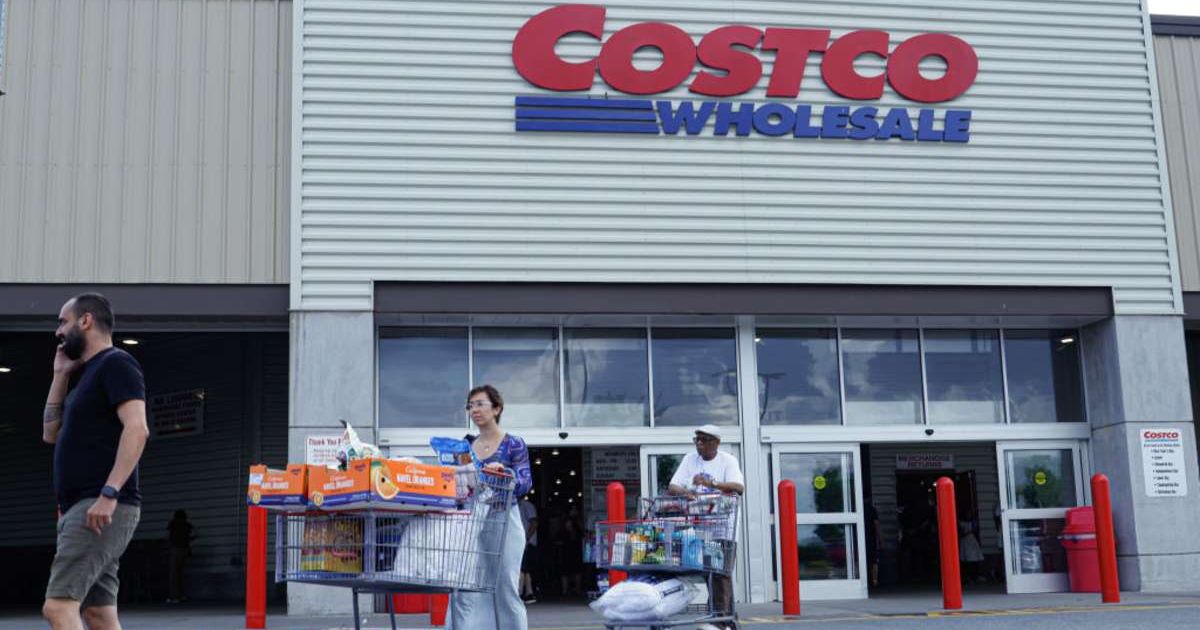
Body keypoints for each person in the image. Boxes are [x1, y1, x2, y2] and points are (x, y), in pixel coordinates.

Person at [41, 293, 149, 630]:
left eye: (63, 321)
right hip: (85, 507)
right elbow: (50, 434)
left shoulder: (116, 363)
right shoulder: (85, 377)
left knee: (58, 607)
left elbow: (137, 428)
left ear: (86, 320)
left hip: (99, 505)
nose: (58, 331)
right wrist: (60, 375)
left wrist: (109, 493)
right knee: (97, 614)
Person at [449, 385, 532, 630]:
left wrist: (504, 474)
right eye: (470, 405)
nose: (474, 409)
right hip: (471, 522)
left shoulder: (514, 444)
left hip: (504, 518)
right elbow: (459, 487)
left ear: (496, 408)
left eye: (480, 404)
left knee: (505, 586)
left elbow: (525, 483)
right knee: (467, 586)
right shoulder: (464, 448)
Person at [667, 425, 744, 630]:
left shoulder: (728, 460)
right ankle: (725, 618)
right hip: (700, 526)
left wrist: (712, 484)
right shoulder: (689, 459)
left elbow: (738, 487)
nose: (699, 444)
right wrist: (685, 492)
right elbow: (672, 486)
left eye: (704, 440)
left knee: (720, 572)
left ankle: (721, 621)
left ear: (716, 443)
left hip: (723, 527)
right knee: (709, 572)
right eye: (697, 440)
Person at [167, 510, 196, 603]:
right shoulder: (187, 525)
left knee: (174, 574)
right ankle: (182, 595)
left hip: (176, 549)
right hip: (185, 550)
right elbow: (195, 535)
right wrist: (189, 541)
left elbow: (168, 536)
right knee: (181, 574)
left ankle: (174, 597)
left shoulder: (173, 524)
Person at [517, 495, 539, 604]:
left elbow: (534, 523)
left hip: (527, 542)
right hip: (522, 541)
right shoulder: (519, 505)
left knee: (522, 568)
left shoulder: (527, 506)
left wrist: (526, 538)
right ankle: (529, 592)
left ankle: (520, 592)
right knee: (525, 569)